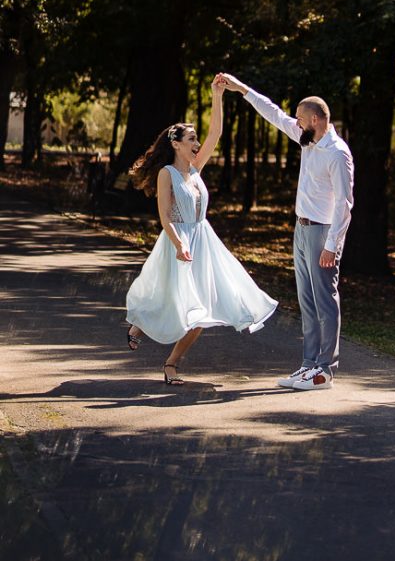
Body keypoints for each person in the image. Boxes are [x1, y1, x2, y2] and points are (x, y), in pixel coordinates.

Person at [124, 76, 278, 385]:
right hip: (178, 243)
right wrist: (179, 244)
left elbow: (217, 132)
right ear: (176, 144)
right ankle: (153, 341)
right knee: (182, 306)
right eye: (191, 139)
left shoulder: (195, 169)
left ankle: (166, 356)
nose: (197, 144)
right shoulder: (167, 174)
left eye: (197, 139)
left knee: (199, 309)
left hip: (204, 242)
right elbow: (165, 217)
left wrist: (217, 95)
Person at [216, 72, 353, 391]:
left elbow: (344, 204)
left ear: (317, 120)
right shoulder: (307, 138)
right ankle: (308, 365)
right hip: (301, 228)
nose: (297, 124)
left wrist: (332, 245)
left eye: (302, 120)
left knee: (325, 301)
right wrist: (241, 89)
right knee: (306, 301)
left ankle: (324, 370)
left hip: (323, 233)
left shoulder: (337, 152)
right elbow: (274, 113)